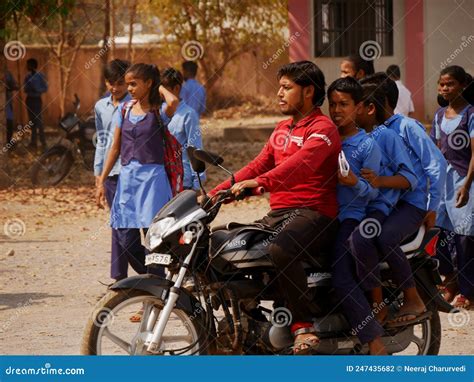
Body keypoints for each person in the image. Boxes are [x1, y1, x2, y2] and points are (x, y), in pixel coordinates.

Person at [208, 61, 341, 354]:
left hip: (315, 213)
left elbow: (300, 165)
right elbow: (259, 164)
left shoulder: (323, 129)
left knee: (281, 249)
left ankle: (303, 327)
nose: (279, 93)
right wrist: (215, 194)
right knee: (222, 243)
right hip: (280, 214)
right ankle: (248, 316)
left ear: (308, 91)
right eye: (279, 87)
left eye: (286, 87)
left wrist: (260, 183)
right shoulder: (282, 129)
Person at [360, 73, 447, 326]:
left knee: (385, 237)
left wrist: (433, 207)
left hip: (412, 203)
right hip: (388, 203)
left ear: (380, 101)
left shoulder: (407, 127)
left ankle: (412, 297)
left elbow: (436, 165)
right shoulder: (374, 132)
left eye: (364, 100)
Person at [96, 64, 179, 318]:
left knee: (153, 242)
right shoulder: (124, 109)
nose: (129, 88)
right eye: (128, 83)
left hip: (153, 181)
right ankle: (154, 285)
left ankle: (152, 303)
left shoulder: (160, 111)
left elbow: (174, 99)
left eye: (134, 84)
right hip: (127, 181)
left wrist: (158, 84)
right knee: (126, 239)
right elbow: (114, 148)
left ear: (149, 84)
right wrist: (101, 179)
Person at [327, 77, 385, 354]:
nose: (337, 110)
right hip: (323, 218)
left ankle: (373, 338)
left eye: (344, 104)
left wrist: (355, 183)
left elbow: (374, 194)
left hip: (352, 218)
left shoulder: (368, 145)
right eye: (333, 104)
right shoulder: (326, 139)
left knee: (340, 276)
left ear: (359, 107)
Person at [433, 66, 474, 310]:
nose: (445, 89)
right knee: (440, 234)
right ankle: (450, 281)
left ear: (462, 86)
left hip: (463, 180)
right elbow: (436, 150)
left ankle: (469, 289)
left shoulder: (470, 114)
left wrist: (467, 185)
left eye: (450, 84)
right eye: (442, 85)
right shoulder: (439, 116)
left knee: (465, 237)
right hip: (443, 182)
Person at [94, 59, 136, 282]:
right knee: (117, 226)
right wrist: (98, 177)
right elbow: (102, 142)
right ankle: (119, 278)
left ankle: (152, 277)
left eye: (120, 83)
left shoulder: (136, 105)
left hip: (132, 174)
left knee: (133, 230)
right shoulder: (101, 107)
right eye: (111, 83)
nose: (115, 88)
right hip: (110, 175)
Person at [160, 67, 205, 190]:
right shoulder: (156, 112)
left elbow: (195, 147)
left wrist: (197, 183)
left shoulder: (189, 115)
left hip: (182, 180)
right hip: (160, 178)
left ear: (176, 88)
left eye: (165, 90)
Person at [24, 58, 48, 150]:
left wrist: (37, 90)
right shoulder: (27, 76)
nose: (26, 67)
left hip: (37, 100)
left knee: (39, 121)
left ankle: (43, 142)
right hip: (29, 100)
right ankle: (33, 142)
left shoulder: (40, 76)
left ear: (32, 66)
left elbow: (45, 88)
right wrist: (29, 88)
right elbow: (25, 89)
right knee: (32, 122)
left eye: (28, 65)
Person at [5, 70, 19, 144]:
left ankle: (8, 141)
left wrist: (8, 88)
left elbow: (16, 86)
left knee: (9, 122)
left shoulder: (7, 73)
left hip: (7, 104)